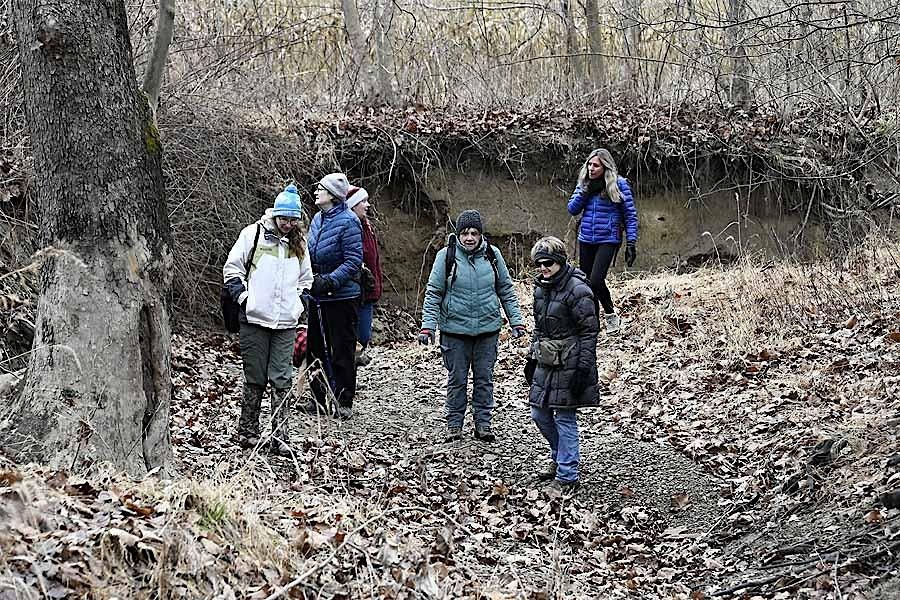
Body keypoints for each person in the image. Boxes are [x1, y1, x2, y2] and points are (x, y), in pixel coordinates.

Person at [419, 210, 526, 442]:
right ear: (458, 234)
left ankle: (483, 424)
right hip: (454, 331)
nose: (469, 238)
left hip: (487, 330)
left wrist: (516, 321)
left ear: (481, 235)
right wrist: (428, 326)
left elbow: (505, 290)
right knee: (457, 379)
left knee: (484, 378)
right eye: (465, 233)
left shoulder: (492, 255)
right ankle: (454, 425)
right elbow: (434, 293)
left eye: (474, 233)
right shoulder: (445, 256)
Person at [223, 183, 314, 456]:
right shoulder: (252, 235)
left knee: (282, 378)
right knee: (255, 376)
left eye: (292, 219)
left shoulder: (299, 244)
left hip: (286, 322)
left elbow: (306, 279)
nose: (287, 224)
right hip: (254, 319)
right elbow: (232, 269)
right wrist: (245, 300)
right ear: (275, 215)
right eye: (284, 218)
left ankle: (280, 436)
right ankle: (248, 431)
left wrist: (299, 305)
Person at [524, 236, 599, 491]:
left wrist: (583, 368)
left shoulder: (578, 289)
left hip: (571, 361)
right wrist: (531, 357)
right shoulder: (540, 288)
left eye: (548, 263)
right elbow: (539, 327)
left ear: (560, 261)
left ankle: (568, 475)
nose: (543, 268)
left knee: (565, 417)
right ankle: (559, 456)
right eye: (539, 264)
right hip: (546, 358)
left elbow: (589, 332)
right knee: (539, 413)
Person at [306, 172, 362, 420]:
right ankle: (318, 399)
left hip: (341, 297)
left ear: (332, 195)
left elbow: (353, 262)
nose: (316, 192)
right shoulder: (317, 219)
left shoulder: (349, 221)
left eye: (320, 188)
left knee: (342, 349)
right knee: (314, 349)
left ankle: (344, 399)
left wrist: (330, 280)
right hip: (317, 295)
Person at [566, 148, 638, 334]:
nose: (591, 168)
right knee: (585, 284)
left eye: (595, 165)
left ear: (605, 166)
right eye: (589, 164)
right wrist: (586, 191)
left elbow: (630, 215)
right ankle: (592, 323)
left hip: (608, 238)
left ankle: (611, 314)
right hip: (587, 238)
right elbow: (572, 209)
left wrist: (631, 243)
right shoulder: (584, 183)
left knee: (596, 280)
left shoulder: (619, 184)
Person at [346, 186, 383, 367]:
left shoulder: (367, 226)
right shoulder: (350, 226)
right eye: (363, 201)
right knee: (353, 337)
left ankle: (350, 375)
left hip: (367, 292)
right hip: (354, 291)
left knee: (363, 336)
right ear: (352, 205)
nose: (367, 205)